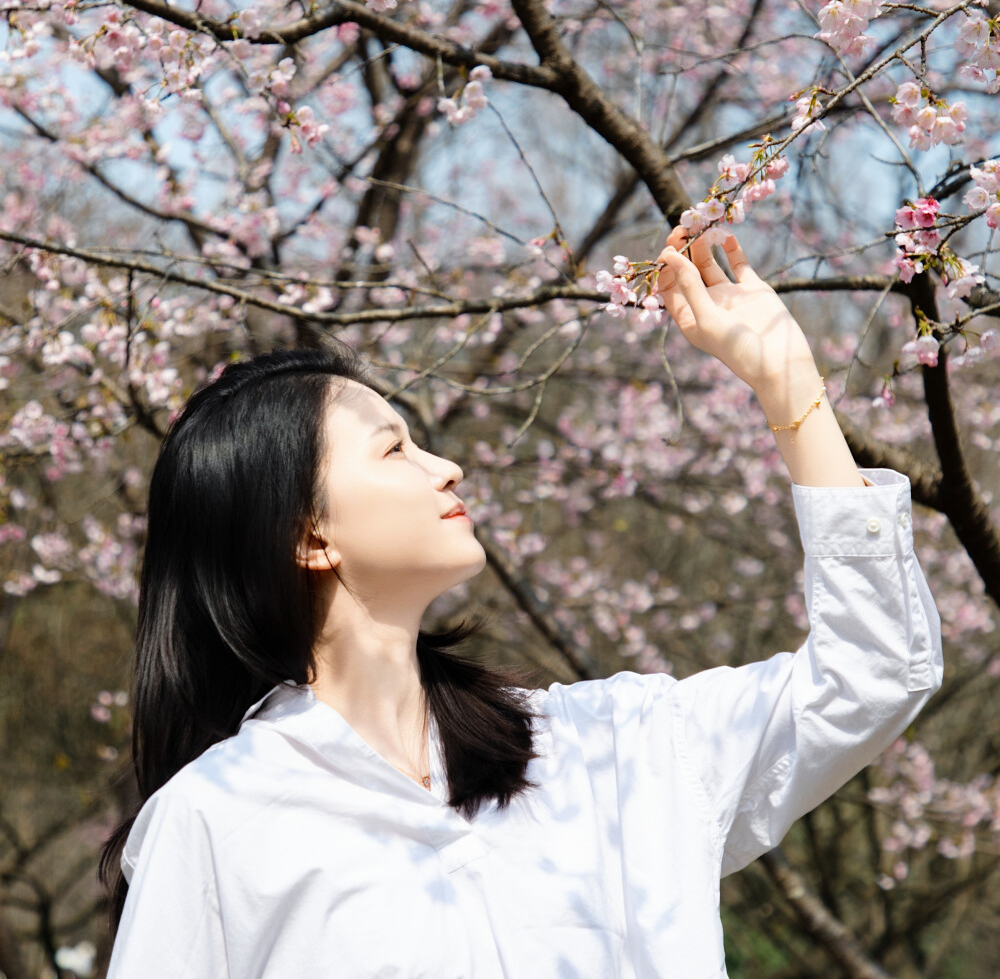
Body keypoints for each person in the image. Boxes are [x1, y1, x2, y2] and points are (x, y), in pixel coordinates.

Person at [101, 228, 943, 977]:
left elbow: (870, 675)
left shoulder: (611, 752)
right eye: (395, 448)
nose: (446, 467)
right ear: (309, 534)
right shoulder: (218, 822)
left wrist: (786, 383)